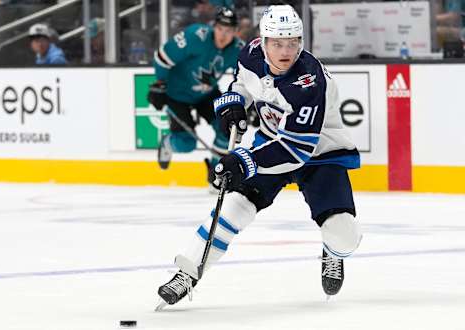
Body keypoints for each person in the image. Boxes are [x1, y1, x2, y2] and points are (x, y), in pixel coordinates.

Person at [156, 5, 362, 308]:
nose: (285, 51)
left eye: (292, 42)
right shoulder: (250, 54)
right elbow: (242, 83)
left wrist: (243, 160)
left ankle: (332, 250)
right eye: (277, 43)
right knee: (233, 209)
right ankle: (187, 273)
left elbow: (295, 150)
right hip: (271, 143)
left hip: (320, 154)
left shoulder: (309, 81)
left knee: (342, 233)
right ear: (263, 42)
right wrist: (234, 102)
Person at [148, 7, 244, 188]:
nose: (223, 35)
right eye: (220, 29)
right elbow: (162, 56)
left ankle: (216, 173)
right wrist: (160, 84)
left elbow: (248, 77)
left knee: (228, 128)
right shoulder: (195, 37)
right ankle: (167, 143)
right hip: (176, 95)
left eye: (229, 31)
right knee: (186, 144)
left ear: (235, 32)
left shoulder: (237, 49)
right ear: (213, 26)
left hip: (207, 94)